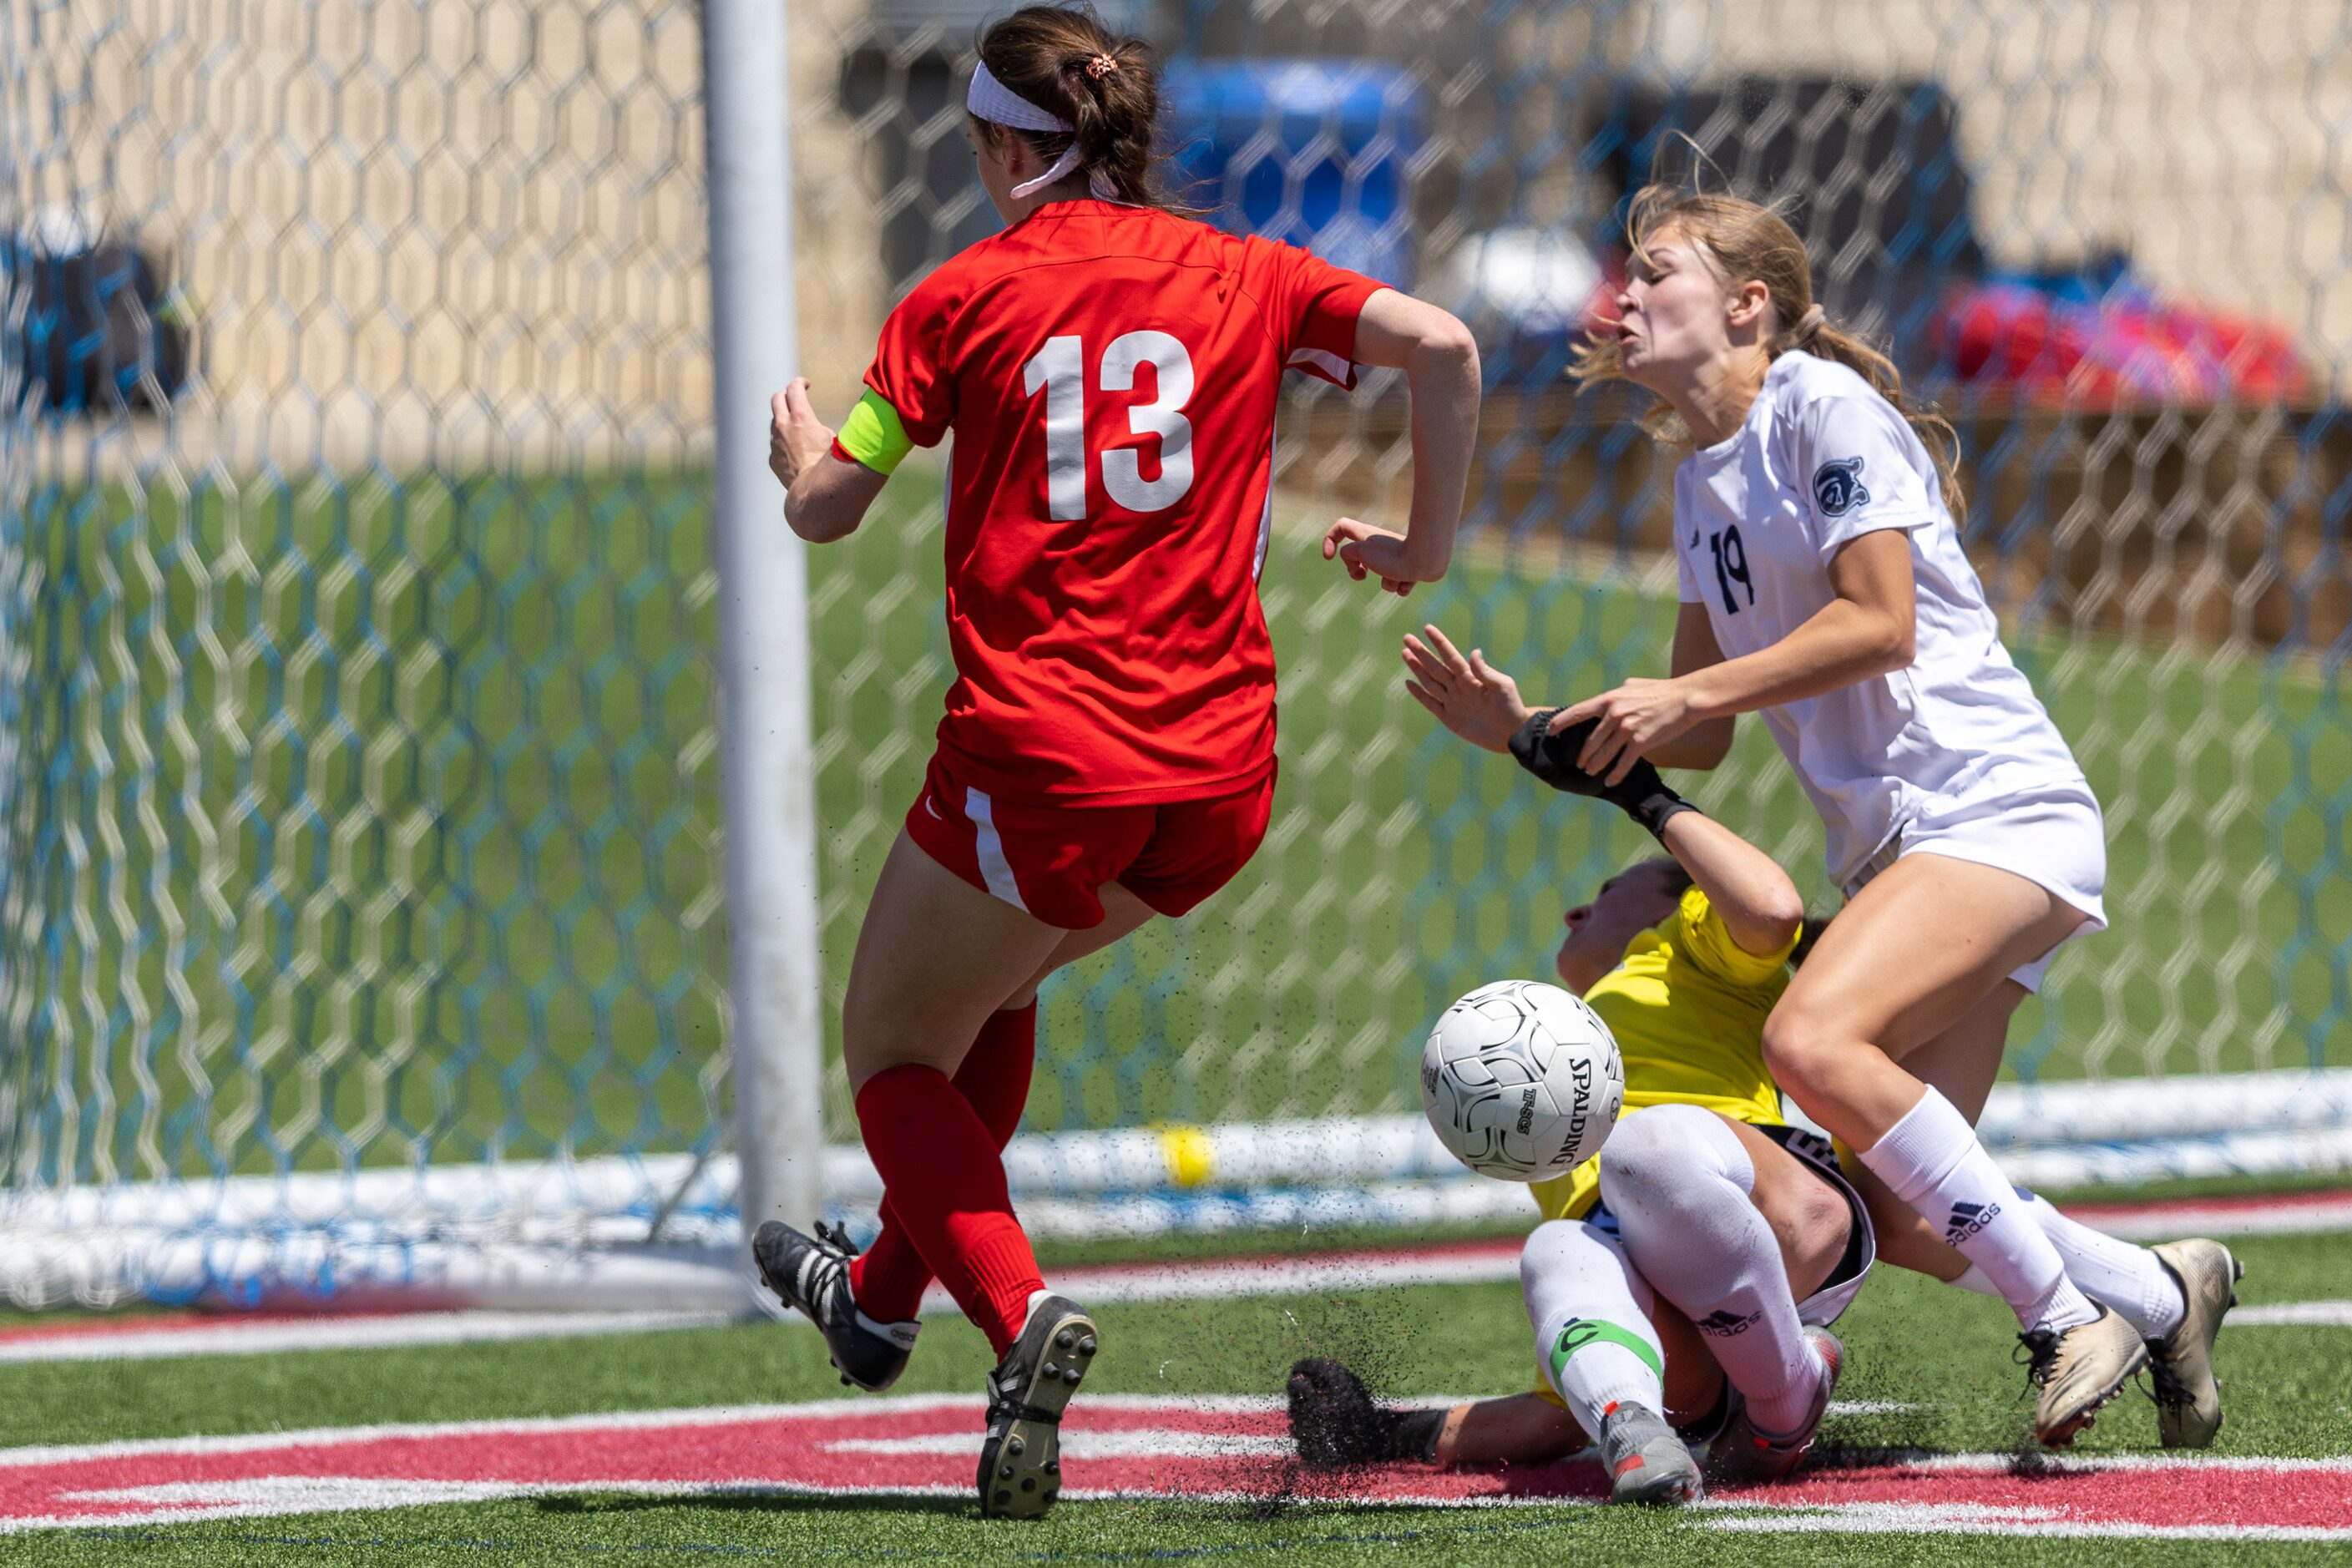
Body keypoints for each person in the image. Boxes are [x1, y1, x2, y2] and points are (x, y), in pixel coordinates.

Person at [753, 6, 1479, 1520]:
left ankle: (1017, 1321)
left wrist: (800, 448)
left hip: (1051, 757)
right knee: (995, 986)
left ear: (999, 147)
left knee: (893, 1047)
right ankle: (881, 1299)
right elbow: (1446, 345)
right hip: (1220, 780)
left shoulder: (957, 299)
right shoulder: (1247, 269)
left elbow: (830, 508)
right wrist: (1425, 540)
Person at [1537, 182, 2238, 1446]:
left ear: (1749, 304)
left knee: (1810, 1041)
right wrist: (1544, 727)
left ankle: (2056, 1318)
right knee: (1894, 1202)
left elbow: (1879, 622)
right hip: (1905, 853)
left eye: (1656, 273)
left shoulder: (1823, 407)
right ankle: (2161, 1287)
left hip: (1992, 810)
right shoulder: (1701, 479)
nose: (1625, 294)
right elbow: (1702, 726)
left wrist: (1681, 690)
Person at [1284, 628, 2238, 1500]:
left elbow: (1772, 908)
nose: (1576, 915)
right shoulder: (1552, 1107)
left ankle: (1804, 1399)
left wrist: (1638, 797)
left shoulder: (1685, 953)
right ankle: (1746, 1411)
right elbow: (1546, 1411)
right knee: (1559, 1251)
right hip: (1705, 1338)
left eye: (1606, 894)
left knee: (1647, 1152)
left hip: (1782, 1219)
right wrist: (1384, 1433)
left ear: (1667, 908)